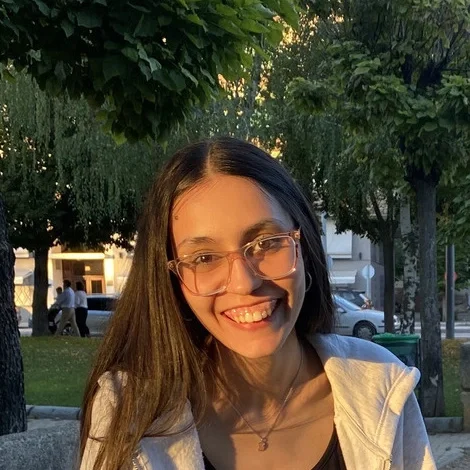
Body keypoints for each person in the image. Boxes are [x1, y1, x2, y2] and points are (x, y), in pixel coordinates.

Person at [80, 138, 436, 470]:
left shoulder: (382, 389)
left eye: (266, 243)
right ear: (171, 279)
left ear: (304, 247)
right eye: (204, 258)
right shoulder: (129, 411)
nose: (244, 282)